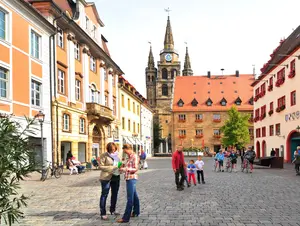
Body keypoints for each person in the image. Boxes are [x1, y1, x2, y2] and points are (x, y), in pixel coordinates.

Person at [117, 144, 140, 223]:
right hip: (128, 178)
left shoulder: (134, 156)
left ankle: (125, 218)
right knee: (134, 196)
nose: (125, 152)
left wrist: (125, 169)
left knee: (130, 198)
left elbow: (136, 168)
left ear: (129, 149)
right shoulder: (129, 157)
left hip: (132, 178)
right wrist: (122, 167)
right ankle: (136, 212)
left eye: (125, 151)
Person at [99, 142, 122, 220]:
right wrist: (112, 168)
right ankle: (103, 213)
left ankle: (113, 210)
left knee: (114, 194)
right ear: (108, 149)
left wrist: (120, 167)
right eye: (111, 150)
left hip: (116, 176)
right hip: (106, 178)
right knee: (104, 195)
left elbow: (119, 164)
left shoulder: (118, 154)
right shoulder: (104, 155)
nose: (113, 151)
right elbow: (101, 166)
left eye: (114, 149)